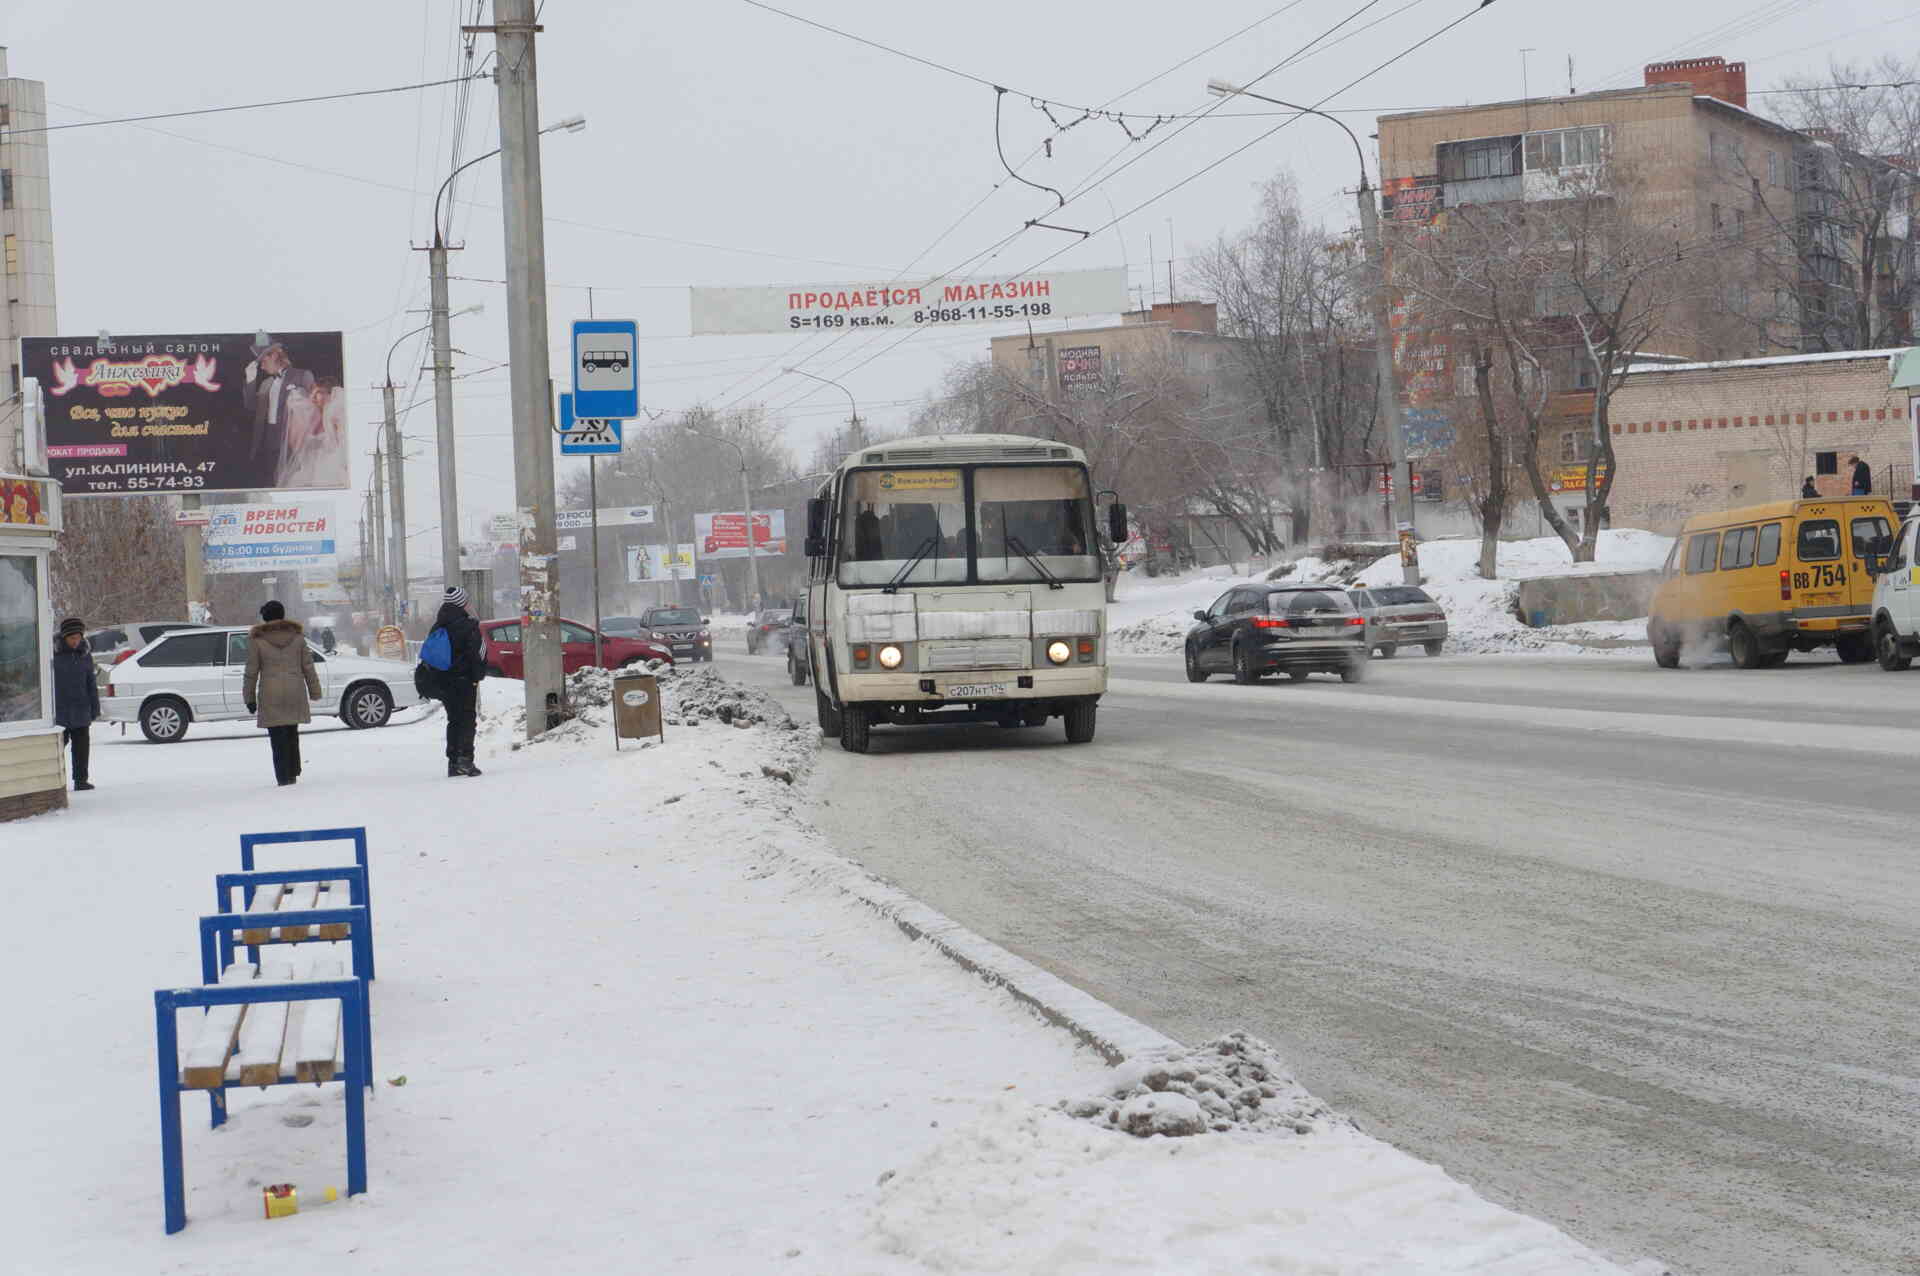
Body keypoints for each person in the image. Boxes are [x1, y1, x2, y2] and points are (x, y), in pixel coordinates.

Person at [242, 600, 321, 787]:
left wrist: (250, 698)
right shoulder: (297, 638)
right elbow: (308, 667)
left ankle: (283, 777)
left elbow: (251, 671)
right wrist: (315, 691)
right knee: (292, 732)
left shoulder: (257, 640)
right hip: (295, 690)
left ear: (265, 617)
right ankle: (294, 770)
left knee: (277, 738)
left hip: (270, 693)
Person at [240, 338, 315, 487]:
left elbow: (315, 410)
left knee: (292, 484)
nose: (261, 366)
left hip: (293, 445)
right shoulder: (265, 384)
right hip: (268, 445)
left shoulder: (302, 376)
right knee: (272, 485)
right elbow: (250, 405)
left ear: (274, 355)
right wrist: (250, 380)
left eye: (263, 360)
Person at [430, 585, 486, 778]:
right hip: (463, 681)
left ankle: (453, 762)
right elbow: (478, 654)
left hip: (444, 682)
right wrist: (477, 676)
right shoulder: (468, 626)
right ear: (461, 603)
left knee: (454, 720)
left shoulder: (438, 625)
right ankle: (466, 760)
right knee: (467, 719)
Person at [51, 617, 99, 791]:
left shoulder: (84, 654)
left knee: (81, 748)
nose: (75, 641)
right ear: (64, 637)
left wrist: (94, 707)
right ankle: (55, 781)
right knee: (56, 749)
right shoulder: (52, 654)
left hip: (81, 708)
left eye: (78, 638)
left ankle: (81, 780)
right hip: (60, 711)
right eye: (72, 638)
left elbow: (91, 682)